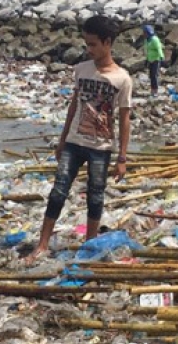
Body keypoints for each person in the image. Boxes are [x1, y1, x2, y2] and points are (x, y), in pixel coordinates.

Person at [27, 15, 133, 262]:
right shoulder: (81, 70)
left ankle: (89, 245)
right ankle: (42, 244)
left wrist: (122, 157)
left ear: (108, 43)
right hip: (74, 143)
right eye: (86, 44)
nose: (89, 49)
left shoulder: (122, 79)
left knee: (95, 196)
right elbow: (73, 106)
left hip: (101, 147)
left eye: (93, 44)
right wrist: (62, 140)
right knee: (58, 192)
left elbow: (125, 118)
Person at [142, 24, 165, 97]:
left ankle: (155, 91)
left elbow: (159, 48)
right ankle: (152, 90)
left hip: (156, 59)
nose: (143, 34)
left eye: (144, 32)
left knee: (154, 75)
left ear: (147, 32)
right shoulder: (146, 40)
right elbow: (147, 50)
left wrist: (161, 57)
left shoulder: (155, 39)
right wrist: (146, 59)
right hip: (150, 59)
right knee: (151, 75)